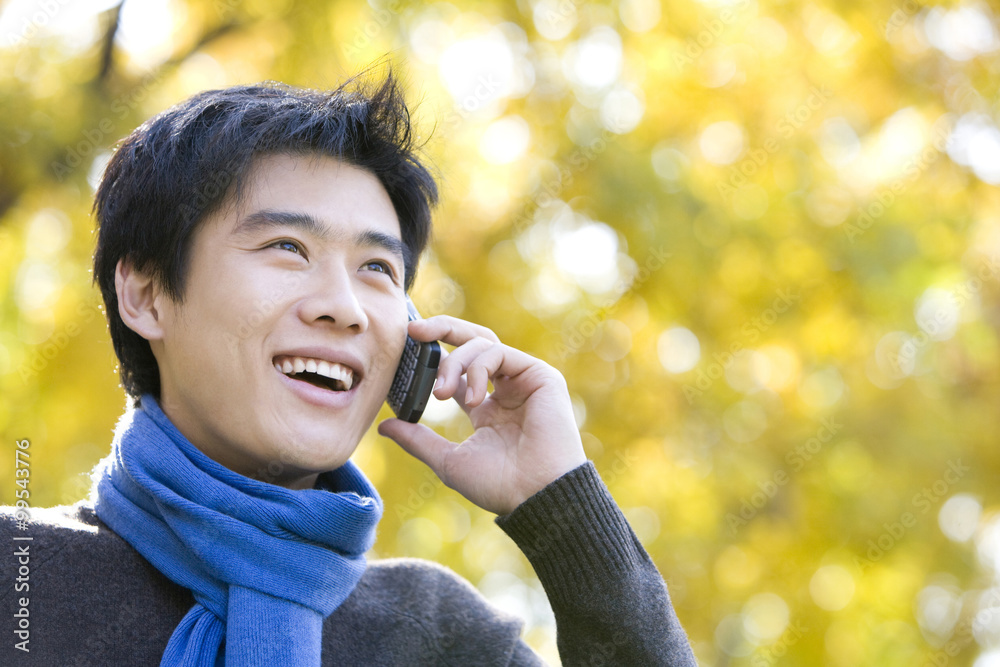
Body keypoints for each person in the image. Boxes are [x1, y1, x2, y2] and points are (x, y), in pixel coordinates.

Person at [1, 71, 696, 665]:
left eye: (376, 268)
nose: (345, 307)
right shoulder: (21, 580)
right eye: (286, 247)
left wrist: (563, 510)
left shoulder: (440, 635)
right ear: (147, 294)